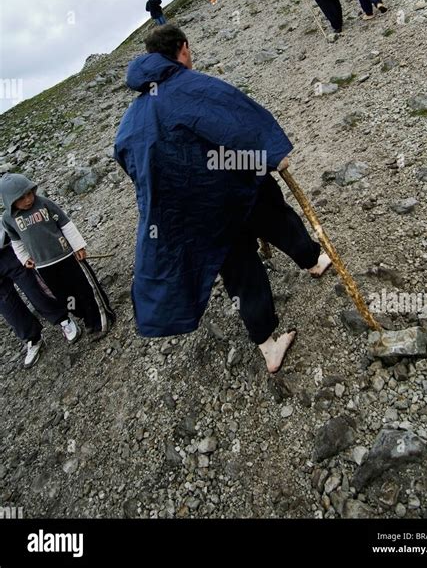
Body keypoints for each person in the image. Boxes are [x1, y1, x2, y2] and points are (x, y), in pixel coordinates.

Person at [114, 25, 331, 373]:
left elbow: (131, 162)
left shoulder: (132, 119)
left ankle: (268, 345)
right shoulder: (191, 85)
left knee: (238, 269)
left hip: (195, 215)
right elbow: (236, 123)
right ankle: (313, 262)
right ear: (183, 48)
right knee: (276, 217)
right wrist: (271, 152)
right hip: (234, 188)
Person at [0, 173, 116, 342]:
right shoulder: (8, 219)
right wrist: (24, 258)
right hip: (44, 266)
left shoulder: (44, 204)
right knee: (66, 296)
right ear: (9, 200)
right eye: (22, 197)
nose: (28, 199)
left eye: (30, 193)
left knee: (85, 288)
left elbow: (65, 223)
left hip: (67, 257)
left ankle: (102, 316)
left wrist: (78, 246)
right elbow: (16, 242)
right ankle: (86, 318)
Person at [0, 228, 80, 367]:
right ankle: (32, 338)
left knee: (33, 287)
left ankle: (62, 318)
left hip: (6, 248)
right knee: (7, 304)